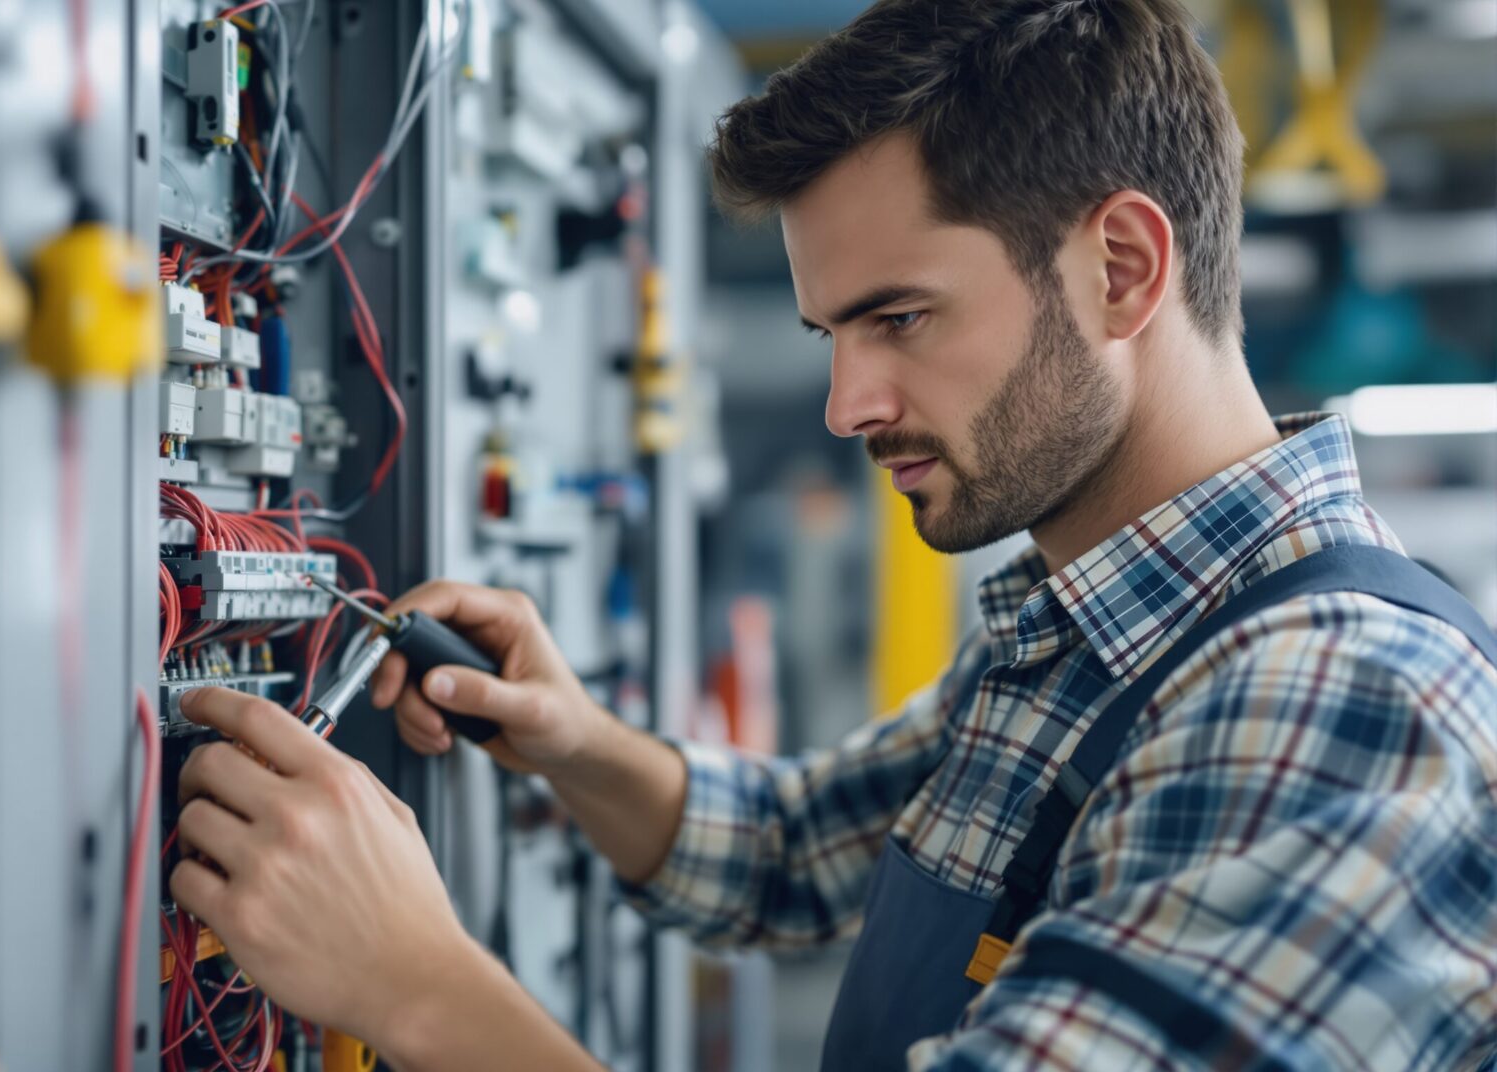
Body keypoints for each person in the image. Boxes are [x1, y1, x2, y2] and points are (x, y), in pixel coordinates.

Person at [164, 0, 1497, 1068]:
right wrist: (571, 739)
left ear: (1124, 269)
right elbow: (793, 853)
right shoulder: (1103, 630)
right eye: (830, 335)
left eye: (899, 318)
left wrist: (416, 988)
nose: (847, 405)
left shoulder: (1336, 707)